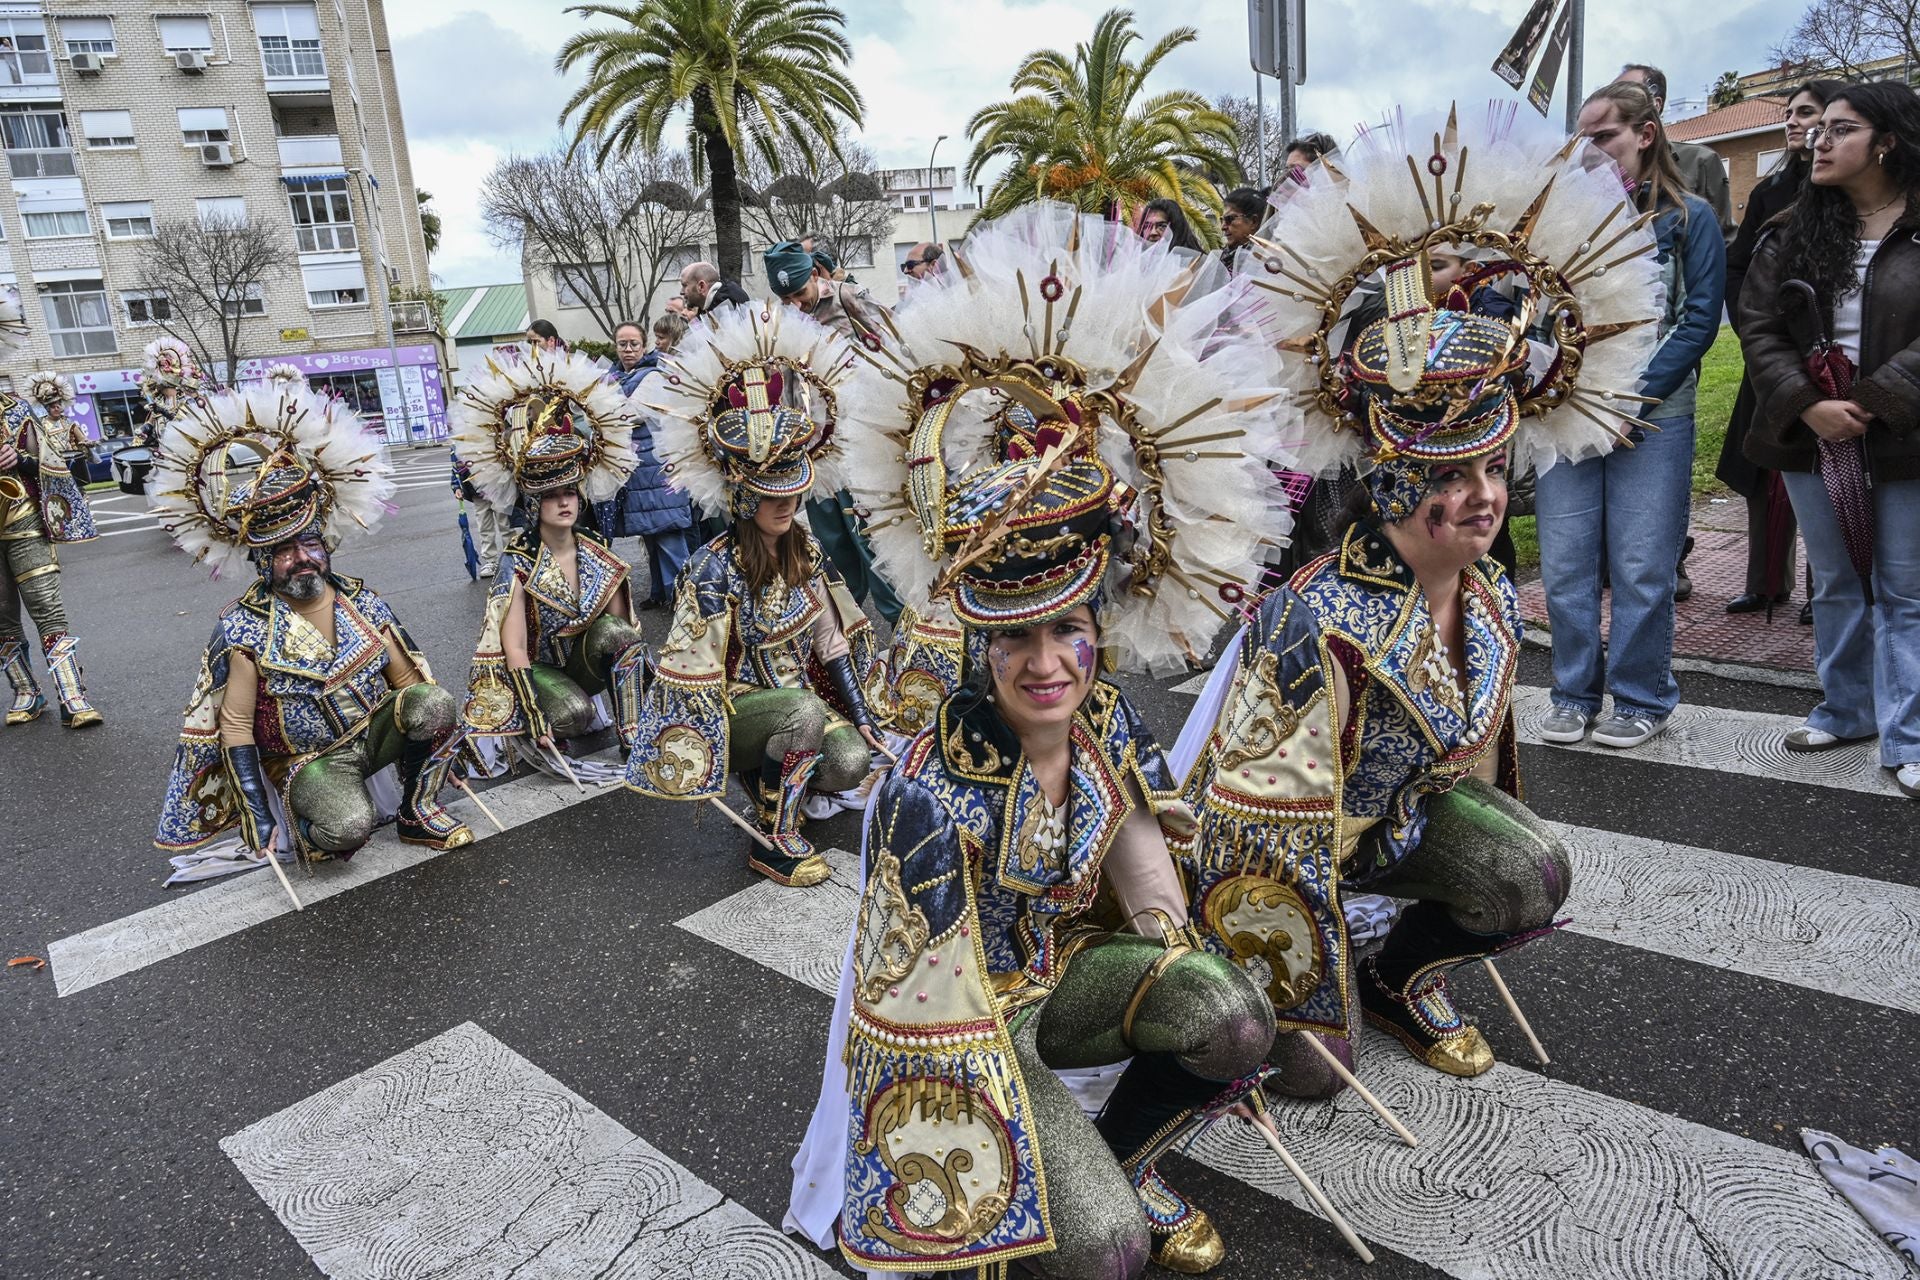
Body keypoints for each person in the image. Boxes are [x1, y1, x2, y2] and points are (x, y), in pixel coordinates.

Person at [793, 205, 1299, 1277]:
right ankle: (1092, 1198)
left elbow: (1147, 868)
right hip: (980, 1038)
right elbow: (917, 1026)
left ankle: (1122, 1158)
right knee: (1109, 1252)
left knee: (1232, 1019)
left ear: (1095, 628)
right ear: (974, 644)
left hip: (1065, 984)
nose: (1047, 662)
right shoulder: (930, 791)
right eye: (1013, 636)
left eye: (1068, 628)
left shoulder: (1107, 716)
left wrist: (1169, 946)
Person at [1191, 108, 1661, 1085]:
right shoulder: (1310, 620)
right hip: (1292, 861)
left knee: (1528, 874)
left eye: (1493, 468)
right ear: (1396, 483)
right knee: (1314, 1067)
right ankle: (1329, 982)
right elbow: (1259, 837)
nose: (1484, 496)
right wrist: (1301, 988)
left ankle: (1400, 976)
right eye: (1452, 479)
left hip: (1398, 830)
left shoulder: (1488, 589)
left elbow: (1479, 767)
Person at [150, 381, 472, 875]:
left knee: (435, 702)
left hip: (373, 734)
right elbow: (234, 726)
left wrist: (437, 747)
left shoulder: (361, 600)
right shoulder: (243, 626)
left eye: (310, 544)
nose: (302, 559)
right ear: (261, 560)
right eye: (283, 551)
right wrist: (256, 813)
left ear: (327, 544)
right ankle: (306, 826)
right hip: (310, 762)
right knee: (346, 829)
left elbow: (409, 684)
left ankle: (416, 811)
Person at [627, 303, 888, 887]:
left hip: (800, 702)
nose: (787, 505)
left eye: (793, 493)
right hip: (741, 709)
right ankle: (773, 833)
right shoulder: (714, 569)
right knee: (798, 712)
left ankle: (787, 776)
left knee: (851, 761)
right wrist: (694, 754)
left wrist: (863, 713)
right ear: (742, 497)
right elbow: (695, 674)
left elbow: (830, 639)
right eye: (772, 496)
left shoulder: (806, 551)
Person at [1738, 80, 1920, 800]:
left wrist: (1876, 398)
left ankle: (1909, 736)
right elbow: (1758, 324)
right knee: (1839, 580)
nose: (1819, 140)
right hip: (1814, 435)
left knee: (1905, 588)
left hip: (1903, 432)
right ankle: (1847, 709)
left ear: (1886, 141)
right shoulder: (1791, 229)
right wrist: (1809, 404)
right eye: (1820, 130)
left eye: (1840, 130)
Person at [1534, 82, 1727, 750]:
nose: (1586, 150)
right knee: (1564, 566)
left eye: (1602, 136)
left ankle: (1642, 697)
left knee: (1644, 566)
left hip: (1654, 418)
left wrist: (1630, 400)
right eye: (1579, 138)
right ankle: (1572, 691)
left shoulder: (1689, 217)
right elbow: (1543, 314)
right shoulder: (1562, 223)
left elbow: (1697, 318)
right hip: (1568, 418)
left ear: (1645, 134)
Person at [453, 344, 646, 778]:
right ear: (532, 503)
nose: (564, 503)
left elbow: (622, 632)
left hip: (583, 664)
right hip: (541, 669)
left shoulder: (597, 549)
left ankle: (633, 729)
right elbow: (516, 649)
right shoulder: (518, 561)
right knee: (572, 716)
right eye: (552, 496)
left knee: (616, 630)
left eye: (570, 493)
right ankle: (540, 717)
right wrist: (534, 713)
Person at [1720, 79, 1845, 618]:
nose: (1794, 123)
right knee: (1764, 470)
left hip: (1833, 357)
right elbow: (1740, 268)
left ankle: (1828, 587)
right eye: (1790, 113)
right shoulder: (1769, 193)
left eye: (1807, 113)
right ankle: (1767, 582)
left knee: (1832, 470)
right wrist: (1757, 334)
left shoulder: (1848, 192)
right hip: (1771, 357)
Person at [764, 239, 907, 624]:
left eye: (800, 293)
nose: (796, 304)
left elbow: (896, 346)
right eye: (786, 298)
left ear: (815, 274)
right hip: (812, 448)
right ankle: (849, 629)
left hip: (859, 442)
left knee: (870, 537)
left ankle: (902, 630)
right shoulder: (780, 318)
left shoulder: (849, 298)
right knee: (832, 544)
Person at [1, 367, 101, 729]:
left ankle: (72, 694)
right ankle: (27, 692)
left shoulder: (17, 412)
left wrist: (21, 460)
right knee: (1, 615)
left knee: (45, 604)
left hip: (22, 518)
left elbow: (54, 464)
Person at [602, 317, 695, 608]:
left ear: (644, 346)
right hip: (641, 471)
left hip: (656, 469)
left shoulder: (653, 375)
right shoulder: (617, 377)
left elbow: (629, 415)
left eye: (634, 344)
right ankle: (661, 592)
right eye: (622, 344)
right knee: (652, 536)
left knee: (667, 535)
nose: (628, 349)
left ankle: (684, 600)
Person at [1617, 63, 1735, 236]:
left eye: (1626, 94)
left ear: (1656, 105)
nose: (1613, 101)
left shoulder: (1701, 161)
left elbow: (1723, 237)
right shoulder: (1605, 164)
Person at [679, 260, 750, 318]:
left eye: (685, 285)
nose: (681, 292)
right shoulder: (717, 305)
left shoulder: (725, 311)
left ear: (701, 286)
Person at [1218, 186, 1266, 267]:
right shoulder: (1223, 258)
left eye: (1229, 219)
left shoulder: (1267, 263)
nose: (1223, 227)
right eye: (1221, 220)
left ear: (1253, 221)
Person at [1136, 197, 1203, 251]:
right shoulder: (1135, 262)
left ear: (1177, 229)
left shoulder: (1195, 264)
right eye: (1147, 226)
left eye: (1162, 226)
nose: (1153, 232)